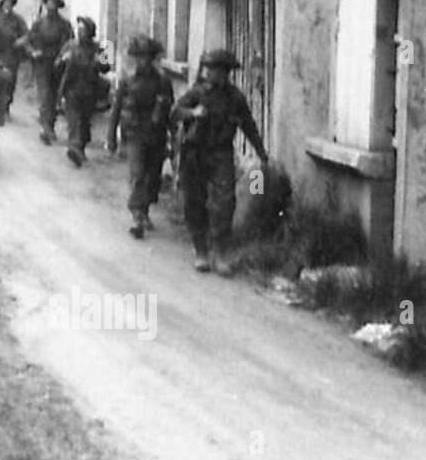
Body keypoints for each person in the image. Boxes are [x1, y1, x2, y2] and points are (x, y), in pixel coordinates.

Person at [170, 48, 269, 274]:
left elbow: (249, 126)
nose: (213, 73)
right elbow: (175, 112)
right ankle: (201, 250)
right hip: (195, 153)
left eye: (218, 70)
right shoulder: (197, 93)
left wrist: (261, 153)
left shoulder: (235, 98)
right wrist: (193, 113)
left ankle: (221, 251)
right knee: (194, 201)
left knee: (225, 203)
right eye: (210, 69)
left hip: (221, 154)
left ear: (226, 72)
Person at [106, 34, 176, 239]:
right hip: (134, 134)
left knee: (152, 177)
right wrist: (111, 137)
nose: (142, 61)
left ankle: (144, 210)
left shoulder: (163, 81)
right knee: (137, 174)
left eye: (146, 57)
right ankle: (137, 215)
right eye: (139, 57)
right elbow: (116, 109)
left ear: (152, 58)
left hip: (156, 134)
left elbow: (171, 111)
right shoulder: (127, 80)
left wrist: (173, 138)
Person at [56, 16, 110, 167]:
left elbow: (106, 67)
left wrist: (100, 61)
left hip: (90, 90)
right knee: (73, 121)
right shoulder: (69, 46)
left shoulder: (99, 48)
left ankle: (80, 147)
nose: (80, 32)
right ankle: (74, 147)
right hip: (71, 89)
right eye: (78, 29)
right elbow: (57, 66)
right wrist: (63, 60)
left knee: (85, 122)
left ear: (90, 32)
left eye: (83, 30)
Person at [26, 0, 74, 143]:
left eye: (54, 5)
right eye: (48, 4)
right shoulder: (38, 23)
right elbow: (28, 41)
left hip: (58, 64)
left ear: (58, 7)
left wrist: (63, 57)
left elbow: (69, 44)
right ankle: (45, 127)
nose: (50, 8)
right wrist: (33, 52)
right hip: (42, 63)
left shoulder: (64, 25)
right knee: (45, 95)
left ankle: (50, 125)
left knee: (54, 96)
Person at [0, 0, 28, 110]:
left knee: (10, 80)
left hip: (12, 53)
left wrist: (20, 41)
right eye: (5, 3)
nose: (7, 5)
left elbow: (26, 35)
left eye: (10, 3)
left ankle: (7, 105)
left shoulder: (18, 19)